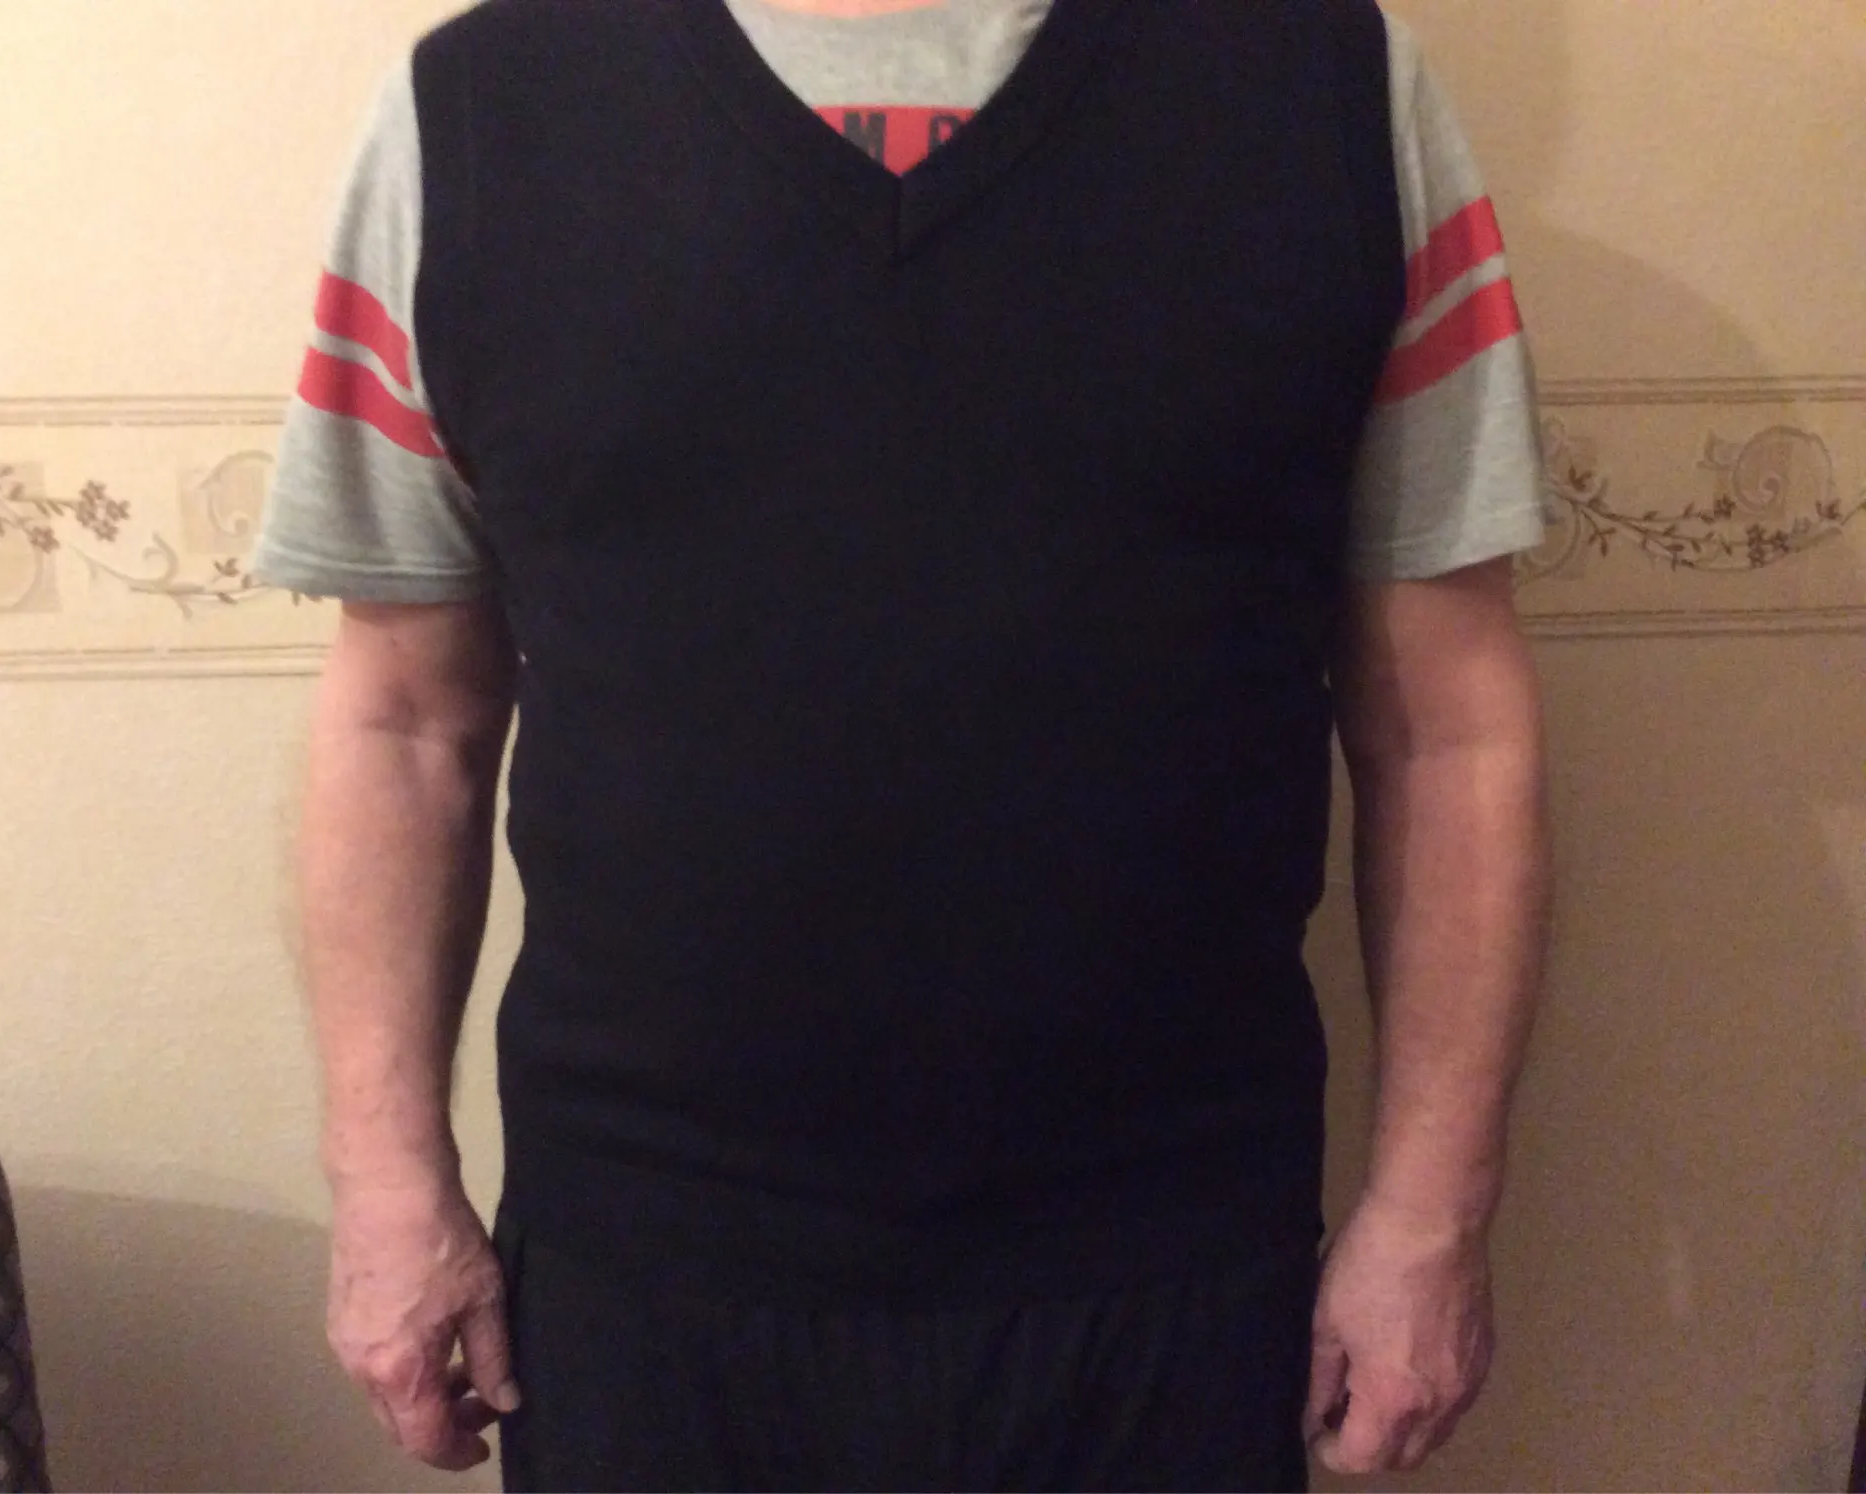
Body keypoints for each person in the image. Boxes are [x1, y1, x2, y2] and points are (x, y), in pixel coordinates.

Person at [253, 0, 1550, 1487]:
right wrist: (384, 1185)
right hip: (643, 1277)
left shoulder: (1329, 97)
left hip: (1176, 1268)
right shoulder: (476, 115)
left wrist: (1434, 1213)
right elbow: (401, 716)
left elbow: (1447, 731)